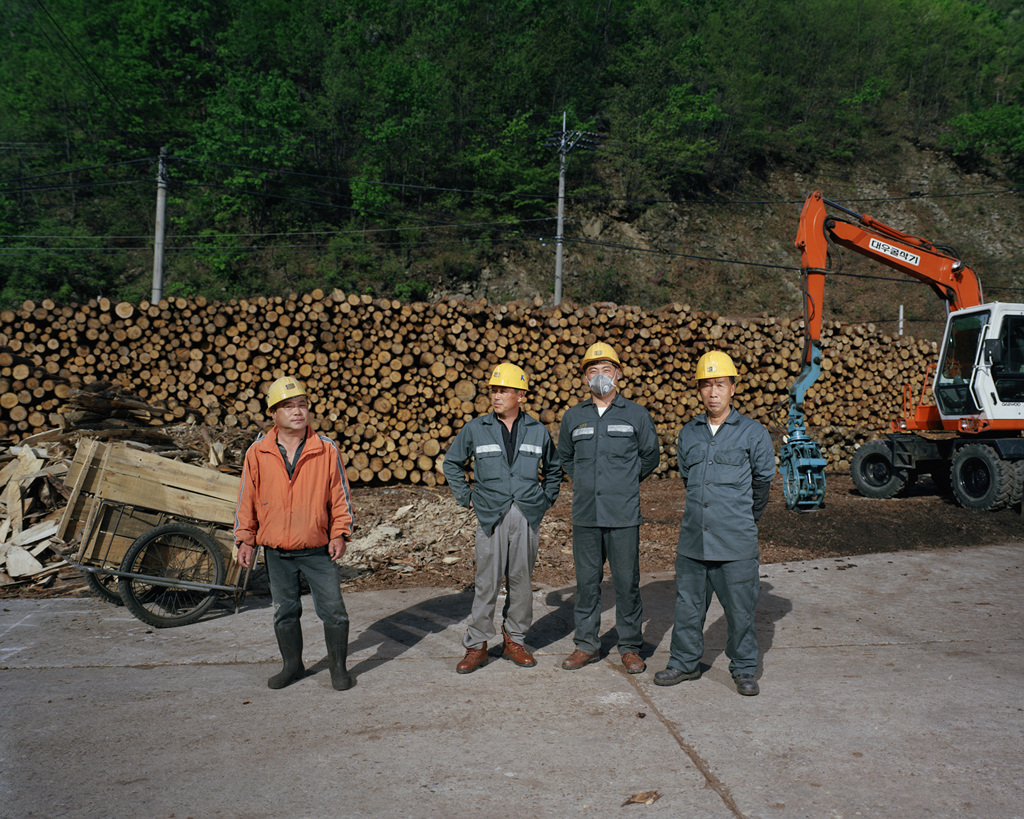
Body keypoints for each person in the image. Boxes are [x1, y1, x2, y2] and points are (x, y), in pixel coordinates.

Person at [655, 351, 775, 696]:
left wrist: (743, 520)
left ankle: (744, 668)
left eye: (720, 384)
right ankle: (684, 663)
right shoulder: (689, 433)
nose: (713, 392)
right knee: (687, 608)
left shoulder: (753, 433)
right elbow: (689, 480)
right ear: (699, 390)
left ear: (733, 388)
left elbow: (762, 484)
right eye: (706, 385)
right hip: (694, 541)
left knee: (740, 612)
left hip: (736, 542)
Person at [234, 376, 356, 691]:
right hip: (277, 552)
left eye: (302, 404)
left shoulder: (325, 449)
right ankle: (292, 666)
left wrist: (339, 533)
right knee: (285, 611)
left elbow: (340, 495)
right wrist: (245, 539)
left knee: (334, 611)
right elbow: (247, 498)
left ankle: (338, 669)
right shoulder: (257, 452)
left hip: (318, 549)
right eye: (288, 406)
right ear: (273, 413)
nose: (297, 411)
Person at [442, 362, 562, 673]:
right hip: (490, 514)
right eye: (494, 390)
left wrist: (545, 500)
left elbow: (553, 469)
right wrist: (466, 497)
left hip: (525, 514)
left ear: (520, 395)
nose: (496, 396)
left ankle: (514, 641)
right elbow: (452, 463)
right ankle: (477, 645)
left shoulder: (537, 430)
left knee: (521, 582)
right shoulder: (476, 428)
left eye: (503, 390)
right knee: (487, 582)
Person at [557, 342, 660, 674]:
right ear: (585, 378)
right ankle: (586, 645)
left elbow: (650, 455)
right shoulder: (574, 417)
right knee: (587, 583)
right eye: (593, 371)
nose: (599, 376)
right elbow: (566, 457)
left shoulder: (636, 414)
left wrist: (625, 481)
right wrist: (585, 482)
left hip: (623, 514)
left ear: (618, 374)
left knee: (627, 583)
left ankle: (629, 647)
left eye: (606, 369)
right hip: (586, 513)